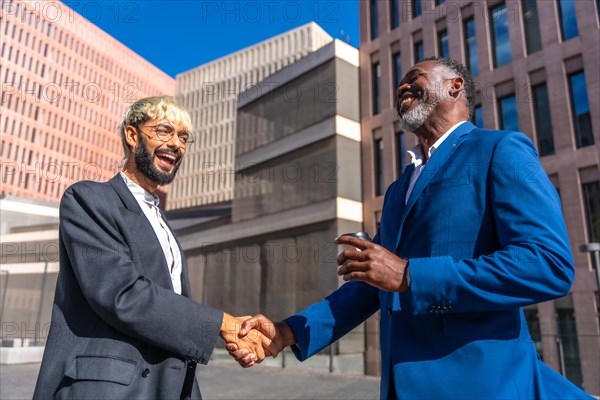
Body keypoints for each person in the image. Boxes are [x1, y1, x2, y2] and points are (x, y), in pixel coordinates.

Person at [230, 58, 593, 399]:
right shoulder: (397, 190)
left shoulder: (501, 150)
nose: (402, 86)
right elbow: (372, 289)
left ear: (455, 85)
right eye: (401, 82)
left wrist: (410, 274)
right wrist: (289, 331)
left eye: (414, 77)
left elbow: (547, 264)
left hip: (481, 385)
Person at [33, 96, 269, 400]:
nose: (176, 144)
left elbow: (168, 311)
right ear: (132, 136)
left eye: (183, 137)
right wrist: (222, 325)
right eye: (164, 131)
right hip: (107, 389)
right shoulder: (89, 199)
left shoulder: (163, 223)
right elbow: (122, 294)